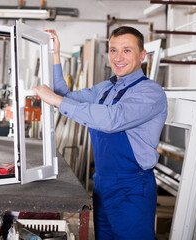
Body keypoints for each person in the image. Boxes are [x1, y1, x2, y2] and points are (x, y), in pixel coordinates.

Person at [33, 27, 168, 239]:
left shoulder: (150, 92)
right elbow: (64, 96)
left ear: (142, 55)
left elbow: (112, 119)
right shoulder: (104, 89)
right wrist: (55, 54)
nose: (118, 57)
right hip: (102, 184)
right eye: (113, 50)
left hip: (131, 188)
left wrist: (55, 100)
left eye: (127, 51)